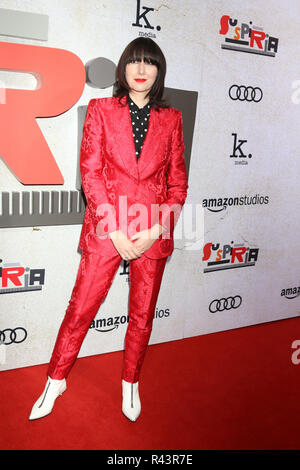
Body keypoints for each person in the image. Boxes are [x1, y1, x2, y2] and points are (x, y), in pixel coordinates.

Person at [29, 37, 189, 422]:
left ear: (158, 71)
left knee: (142, 315)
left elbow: (178, 184)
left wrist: (153, 230)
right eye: (133, 62)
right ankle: (56, 378)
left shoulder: (172, 119)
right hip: (107, 228)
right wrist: (116, 229)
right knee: (81, 307)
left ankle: (130, 382)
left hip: (151, 230)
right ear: (122, 68)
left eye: (148, 63)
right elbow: (91, 173)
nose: (140, 70)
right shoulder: (101, 110)